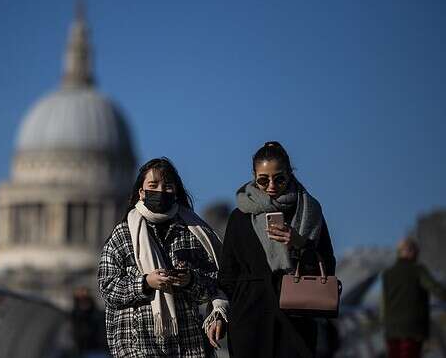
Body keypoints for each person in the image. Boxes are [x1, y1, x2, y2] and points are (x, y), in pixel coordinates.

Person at [98, 158, 228, 357]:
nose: (160, 191)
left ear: (175, 191)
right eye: (153, 185)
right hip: (137, 343)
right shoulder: (123, 234)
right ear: (141, 192)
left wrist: (190, 280)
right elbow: (108, 289)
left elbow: (215, 285)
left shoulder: (193, 233)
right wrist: (146, 282)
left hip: (187, 344)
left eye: (167, 186)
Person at [218, 141, 336, 358]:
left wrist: (300, 243)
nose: (271, 185)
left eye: (279, 178)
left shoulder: (310, 211)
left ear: (290, 174)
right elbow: (227, 274)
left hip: (296, 319)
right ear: (254, 177)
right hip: (250, 320)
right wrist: (230, 309)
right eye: (263, 180)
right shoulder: (240, 216)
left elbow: (327, 266)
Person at [382, 237, 446, 358]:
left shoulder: (387, 274)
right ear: (410, 251)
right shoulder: (417, 270)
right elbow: (435, 288)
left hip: (391, 330)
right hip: (412, 329)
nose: (417, 254)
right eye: (416, 251)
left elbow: (383, 303)